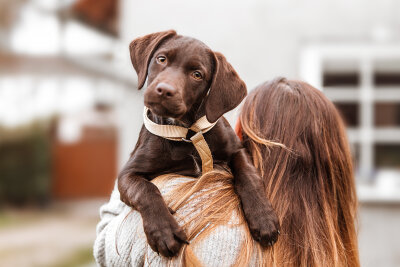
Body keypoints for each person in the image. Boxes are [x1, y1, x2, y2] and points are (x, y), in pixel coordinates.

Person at [94, 77, 360, 267]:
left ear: (241, 134)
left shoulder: (182, 208)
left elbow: (106, 248)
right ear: (336, 168)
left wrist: (137, 165)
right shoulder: (331, 251)